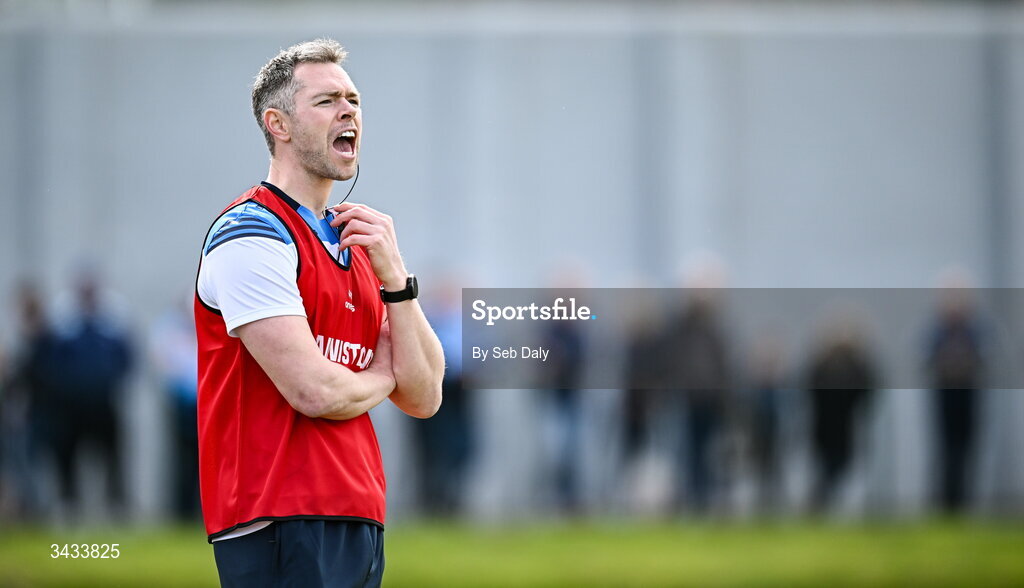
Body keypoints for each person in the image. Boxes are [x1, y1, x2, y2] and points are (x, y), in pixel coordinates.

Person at [195, 39, 444, 587]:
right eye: (328, 100)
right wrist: (382, 374)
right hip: (278, 514)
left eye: (353, 99)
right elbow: (315, 392)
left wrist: (398, 281)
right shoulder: (250, 233)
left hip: (358, 510)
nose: (349, 110)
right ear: (278, 124)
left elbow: (425, 396)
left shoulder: (357, 241)